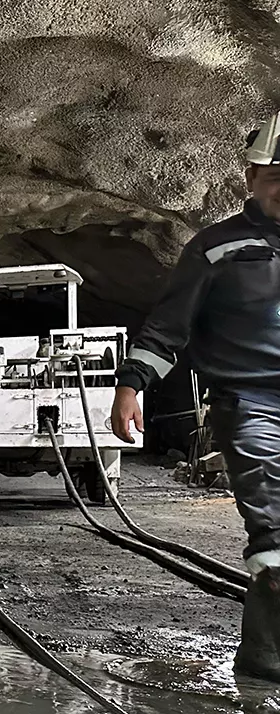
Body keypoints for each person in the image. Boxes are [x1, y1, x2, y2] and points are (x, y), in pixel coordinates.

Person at [110, 112, 280, 682]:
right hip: (249, 405)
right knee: (277, 538)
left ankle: (262, 662)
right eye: (275, 173)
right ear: (250, 177)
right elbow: (168, 328)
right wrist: (132, 384)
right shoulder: (217, 249)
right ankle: (266, 676)